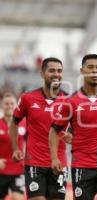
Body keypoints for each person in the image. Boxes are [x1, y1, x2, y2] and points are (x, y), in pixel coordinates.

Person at [10, 57, 68, 200]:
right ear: (42, 73)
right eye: (52, 70)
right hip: (34, 162)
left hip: (59, 163)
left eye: (59, 71)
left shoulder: (68, 99)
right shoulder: (27, 98)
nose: (56, 74)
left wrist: (72, 135)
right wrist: (16, 148)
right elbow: (14, 122)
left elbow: (77, 125)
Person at [49, 54, 97, 200]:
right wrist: (55, 158)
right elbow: (55, 130)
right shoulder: (71, 101)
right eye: (90, 67)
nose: (94, 71)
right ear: (82, 70)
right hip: (82, 164)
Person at [0, 93, 26, 200]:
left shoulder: (24, 123)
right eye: (7, 104)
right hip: (1, 169)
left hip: (18, 169)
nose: (9, 106)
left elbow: (29, 143)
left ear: (16, 105)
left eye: (12, 103)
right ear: (2, 105)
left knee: (18, 198)